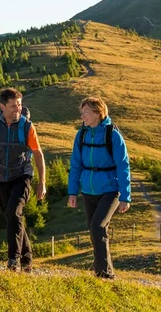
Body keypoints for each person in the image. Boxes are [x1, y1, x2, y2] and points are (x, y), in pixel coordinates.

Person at [0, 88, 45, 272]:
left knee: (14, 213)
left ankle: (13, 261)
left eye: (20, 105)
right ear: (2, 106)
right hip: (2, 178)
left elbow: (38, 154)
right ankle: (27, 258)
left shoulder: (27, 127)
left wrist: (41, 183)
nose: (18, 109)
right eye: (13, 106)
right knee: (13, 217)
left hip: (22, 176)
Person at [67, 96, 131, 279]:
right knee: (95, 230)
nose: (82, 116)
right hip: (88, 190)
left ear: (98, 112)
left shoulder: (113, 136)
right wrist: (72, 192)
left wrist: (126, 196)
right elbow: (75, 165)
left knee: (97, 226)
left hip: (110, 190)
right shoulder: (81, 135)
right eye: (81, 112)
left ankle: (103, 274)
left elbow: (123, 165)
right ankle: (104, 270)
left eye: (86, 112)